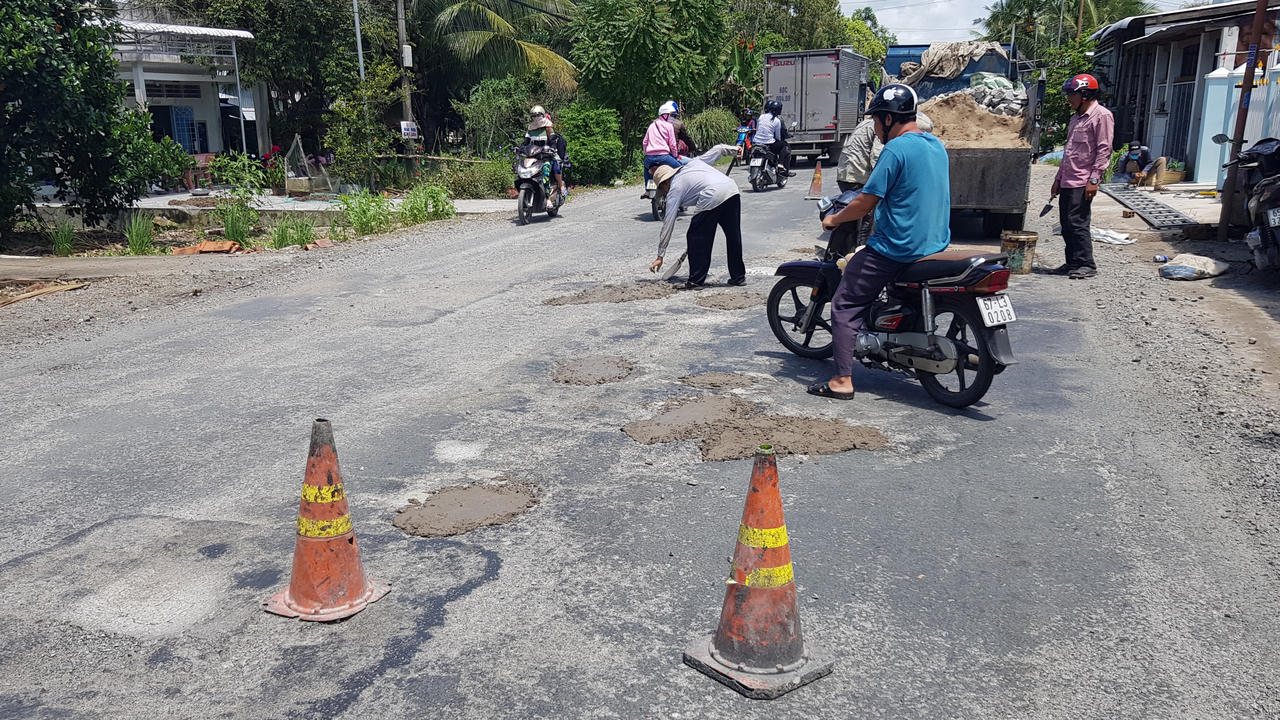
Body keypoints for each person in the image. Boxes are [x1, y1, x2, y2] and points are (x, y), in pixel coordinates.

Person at [806, 84, 951, 400]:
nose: (874, 127)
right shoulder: (936, 145)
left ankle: (842, 380)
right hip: (935, 243)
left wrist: (834, 219)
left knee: (845, 304)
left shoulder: (895, 150)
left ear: (888, 118)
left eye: (875, 121)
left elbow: (866, 201)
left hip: (898, 246)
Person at [647, 143, 745, 289]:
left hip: (712, 194)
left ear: (665, 183)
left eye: (663, 189)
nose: (665, 193)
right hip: (731, 189)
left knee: (696, 237)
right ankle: (738, 277)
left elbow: (668, 222)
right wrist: (735, 149)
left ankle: (696, 280)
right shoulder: (694, 164)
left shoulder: (674, 188)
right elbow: (718, 149)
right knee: (733, 236)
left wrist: (660, 255)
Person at [835, 110, 935, 246]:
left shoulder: (869, 123)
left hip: (847, 173)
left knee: (853, 220)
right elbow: (877, 158)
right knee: (866, 217)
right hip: (857, 175)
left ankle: (848, 250)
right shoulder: (881, 129)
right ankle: (860, 250)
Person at [1051, 73, 1114, 280]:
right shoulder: (1076, 118)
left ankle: (1086, 264)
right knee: (1066, 223)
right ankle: (1072, 262)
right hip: (1069, 179)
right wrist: (1058, 179)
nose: (1069, 98)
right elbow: (1069, 151)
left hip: (1083, 180)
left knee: (1077, 223)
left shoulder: (1102, 116)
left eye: (1072, 94)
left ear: (1084, 95)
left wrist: (1094, 179)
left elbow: (1104, 149)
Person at [525, 106, 568, 198]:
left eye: (538, 115)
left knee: (554, 168)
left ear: (543, 115)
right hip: (534, 156)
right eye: (534, 115)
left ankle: (559, 187)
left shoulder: (548, 127)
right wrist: (519, 148)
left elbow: (553, 140)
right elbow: (526, 142)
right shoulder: (530, 128)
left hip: (547, 154)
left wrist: (552, 148)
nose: (536, 117)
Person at [642, 101, 686, 185]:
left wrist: (647, 153)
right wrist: (675, 156)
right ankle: (681, 188)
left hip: (649, 157)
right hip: (664, 157)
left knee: (647, 170)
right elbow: (672, 144)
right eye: (672, 115)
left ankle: (649, 190)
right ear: (665, 115)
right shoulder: (669, 126)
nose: (673, 118)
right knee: (681, 170)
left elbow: (645, 142)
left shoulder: (651, 125)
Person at [751, 99, 794, 177]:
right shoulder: (777, 120)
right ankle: (781, 166)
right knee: (785, 146)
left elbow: (758, 129)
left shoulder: (761, 117)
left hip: (756, 142)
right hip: (769, 143)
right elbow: (778, 136)